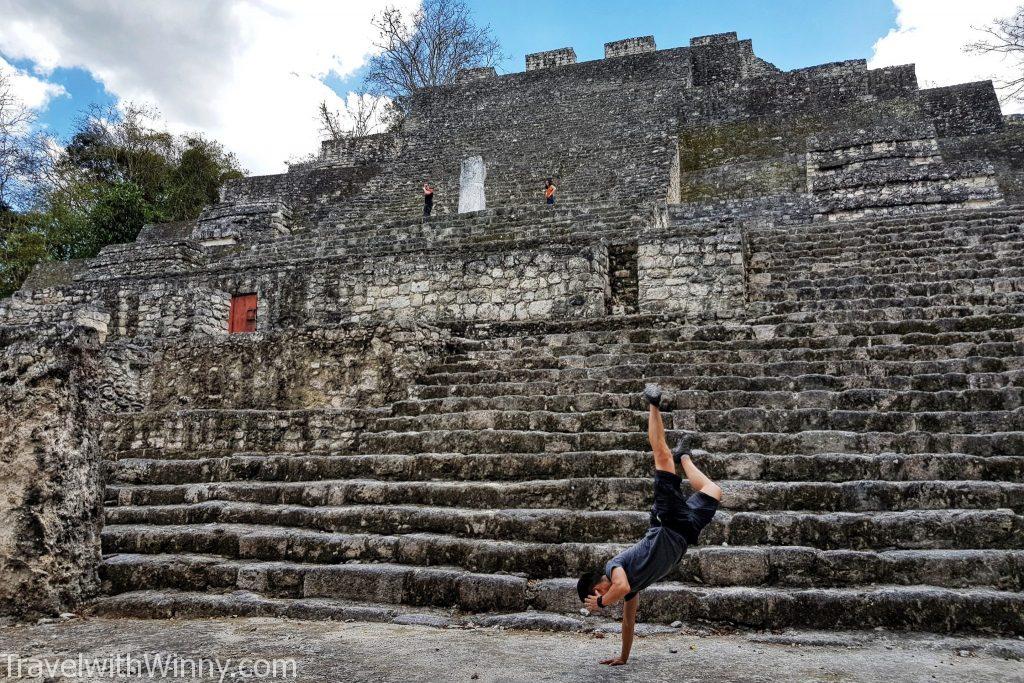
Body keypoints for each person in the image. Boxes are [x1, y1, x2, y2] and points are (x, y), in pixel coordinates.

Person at [576, 383, 723, 666]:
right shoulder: (629, 588)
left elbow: (617, 587)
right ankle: (685, 458)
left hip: (666, 523)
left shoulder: (614, 568)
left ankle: (653, 403)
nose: (602, 604)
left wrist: (602, 604)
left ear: (597, 590)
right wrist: (623, 656)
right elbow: (629, 623)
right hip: (683, 533)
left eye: (597, 599)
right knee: (713, 491)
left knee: (661, 456)